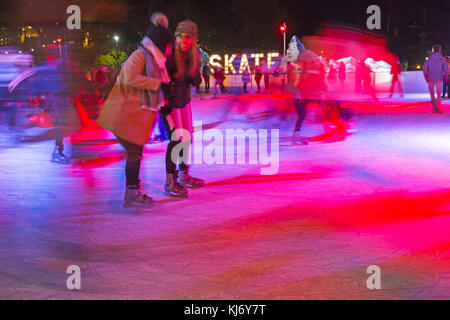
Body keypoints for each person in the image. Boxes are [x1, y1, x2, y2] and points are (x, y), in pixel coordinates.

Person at [96, 21, 173, 208]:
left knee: (135, 153)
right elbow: (130, 77)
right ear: (160, 43)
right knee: (134, 153)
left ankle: (131, 192)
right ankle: (131, 192)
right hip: (124, 114)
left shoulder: (154, 60)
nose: (170, 50)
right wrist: (158, 86)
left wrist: (162, 102)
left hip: (132, 116)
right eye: (168, 46)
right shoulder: (140, 55)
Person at [159, 20, 205, 198]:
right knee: (177, 140)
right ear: (177, 36)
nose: (186, 41)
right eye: (182, 37)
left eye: (190, 37)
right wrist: (164, 102)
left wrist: (196, 79)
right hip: (169, 103)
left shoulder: (194, 54)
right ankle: (170, 181)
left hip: (184, 101)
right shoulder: (169, 53)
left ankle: (184, 174)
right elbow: (160, 78)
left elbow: (194, 75)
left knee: (187, 139)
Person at [423, 45, 448, 113]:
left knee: (432, 94)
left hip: (431, 79)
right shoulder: (442, 59)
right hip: (439, 79)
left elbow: (425, 70)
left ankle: (434, 107)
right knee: (439, 95)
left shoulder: (429, 59)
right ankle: (436, 107)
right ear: (439, 50)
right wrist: (447, 77)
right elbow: (446, 69)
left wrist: (426, 78)